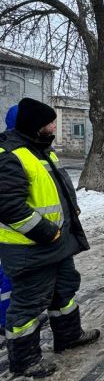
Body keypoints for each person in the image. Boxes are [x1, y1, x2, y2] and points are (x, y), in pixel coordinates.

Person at [0, 97, 100, 377]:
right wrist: (47, 232)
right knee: (28, 303)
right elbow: (8, 206)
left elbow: (55, 190)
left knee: (64, 291)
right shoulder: (10, 156)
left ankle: (68, 336)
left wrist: (70, 212)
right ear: (35, 126)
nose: (54, 127)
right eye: (50, 123)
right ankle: (25, 361)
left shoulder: (41, 150)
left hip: (56, 244)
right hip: (30, 247)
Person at [0, 105, 19, 335]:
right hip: (9, 230)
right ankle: (6, 320)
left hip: (11, 228)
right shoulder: (10, 152)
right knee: (8, 277)